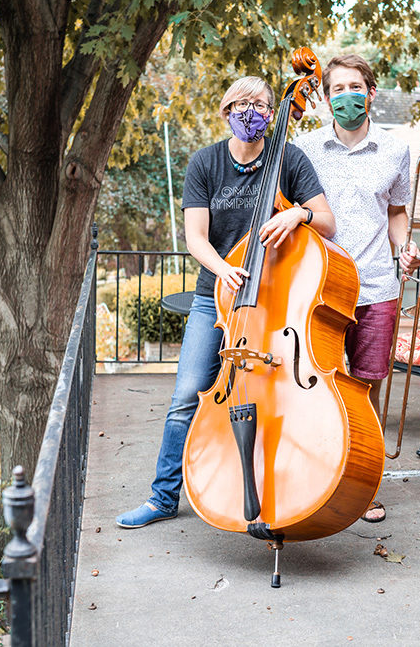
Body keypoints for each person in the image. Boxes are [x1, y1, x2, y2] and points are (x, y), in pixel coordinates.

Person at [116, 76, 335, 529]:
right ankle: (162, 498)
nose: (251, 111)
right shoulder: (206, 162)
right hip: (214, 298)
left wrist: (298, 213)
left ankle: (286, 483)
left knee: (281, 394)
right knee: (186, 394)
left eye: (261, 104)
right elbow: (196, 238)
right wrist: (223, 270)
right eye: (242, 103)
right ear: (226, 110)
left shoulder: (289, 158)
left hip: (273, 302)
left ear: (274, 113)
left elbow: (328, 224)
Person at [294, 54, 420, 524]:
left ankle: (361, 484)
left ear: (371, 93)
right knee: (312, 388)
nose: (346, 95)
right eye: (337, 88)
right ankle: (312, 477)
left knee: (364, 390)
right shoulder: (304, 148)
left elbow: (396, 213)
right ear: (326, 99)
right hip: (319, 290)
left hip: (376, 287)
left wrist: (406, 247)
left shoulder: (395, 150)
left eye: (355, 86)